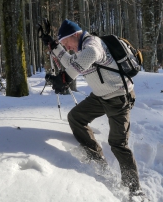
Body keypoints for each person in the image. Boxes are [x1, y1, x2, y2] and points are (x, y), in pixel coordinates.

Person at [43, 19, 145, 199]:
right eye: (64, 45)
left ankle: (134, 190)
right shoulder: (80, 49)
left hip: (118, 98)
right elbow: (70, 62)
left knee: (118, 144)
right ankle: (98, 162)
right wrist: (54, 45)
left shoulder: (92, 43)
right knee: (76, 118)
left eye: (67, 43)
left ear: (75, 35)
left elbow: (92, 54)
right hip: (101, 96)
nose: (67, 47)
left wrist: (65, 79)